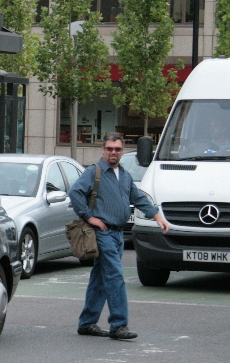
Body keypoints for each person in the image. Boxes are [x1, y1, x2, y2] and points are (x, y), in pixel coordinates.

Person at [69, 133, 170, 340]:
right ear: (103, 150)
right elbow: (75, 193)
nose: (113, 152)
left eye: (117, 149)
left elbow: (138, 197)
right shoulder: (93, 172)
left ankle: (87, 323)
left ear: (122, 151)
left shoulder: (123, 175)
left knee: (99, 279)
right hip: (103, 233)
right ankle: (118, 325)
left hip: (118, 234)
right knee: (115, 276)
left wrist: (157, 216)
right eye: (109, 149)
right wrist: (90, 218)